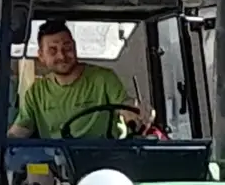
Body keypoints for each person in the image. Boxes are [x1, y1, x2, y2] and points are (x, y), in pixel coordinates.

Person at [9, 20, 141, 140]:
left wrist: (136, 112)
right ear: (41, 56)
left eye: (67, 48)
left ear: (75, 47)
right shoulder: (36, 92)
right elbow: (22, 129)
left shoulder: (104, 79)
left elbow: (126, 107)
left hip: (103, 159)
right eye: (53, 50)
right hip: (55, 162)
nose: (62, 55)